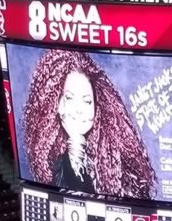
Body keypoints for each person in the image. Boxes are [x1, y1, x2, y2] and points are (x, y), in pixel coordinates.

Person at [20, 49, 153, 199]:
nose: (79, 110)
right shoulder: (51, 166)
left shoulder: (120, 166)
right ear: (55, 105)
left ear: (98, 108)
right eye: (69, 98)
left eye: (87, 101)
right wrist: (75, 145)